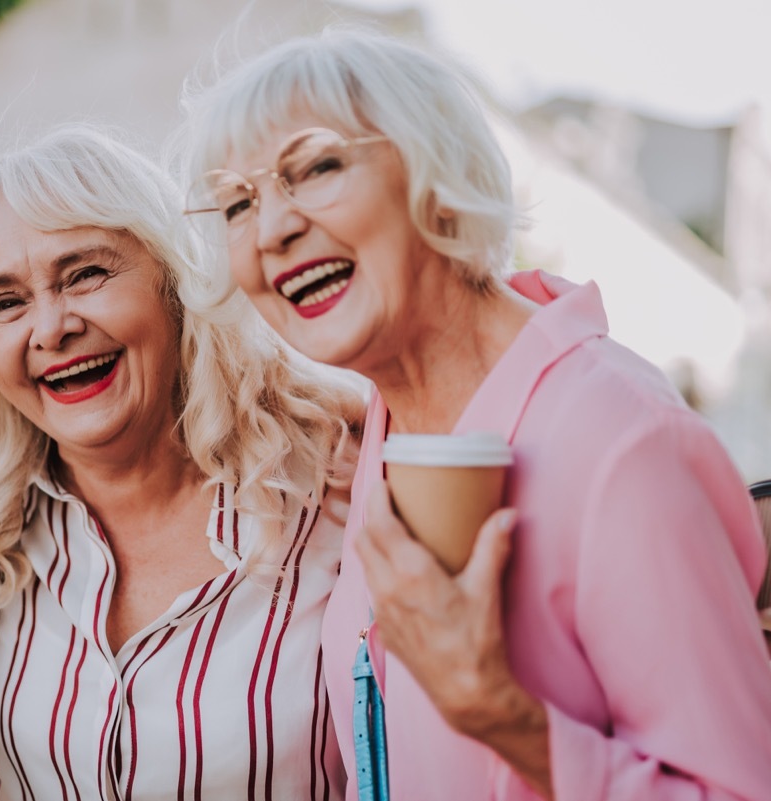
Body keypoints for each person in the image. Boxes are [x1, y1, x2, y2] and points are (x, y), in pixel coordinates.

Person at [179, 26, 771, 801]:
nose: (271, 228)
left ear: (438, 171)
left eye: (317, 166)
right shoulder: (388, 442)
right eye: (237, 203)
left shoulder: (622, 442)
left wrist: (500, 713)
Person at [0, 125, 364, 799]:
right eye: (5, 302)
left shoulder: (342, 486)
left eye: (86, 274)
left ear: (175, 279)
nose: (50, 329)